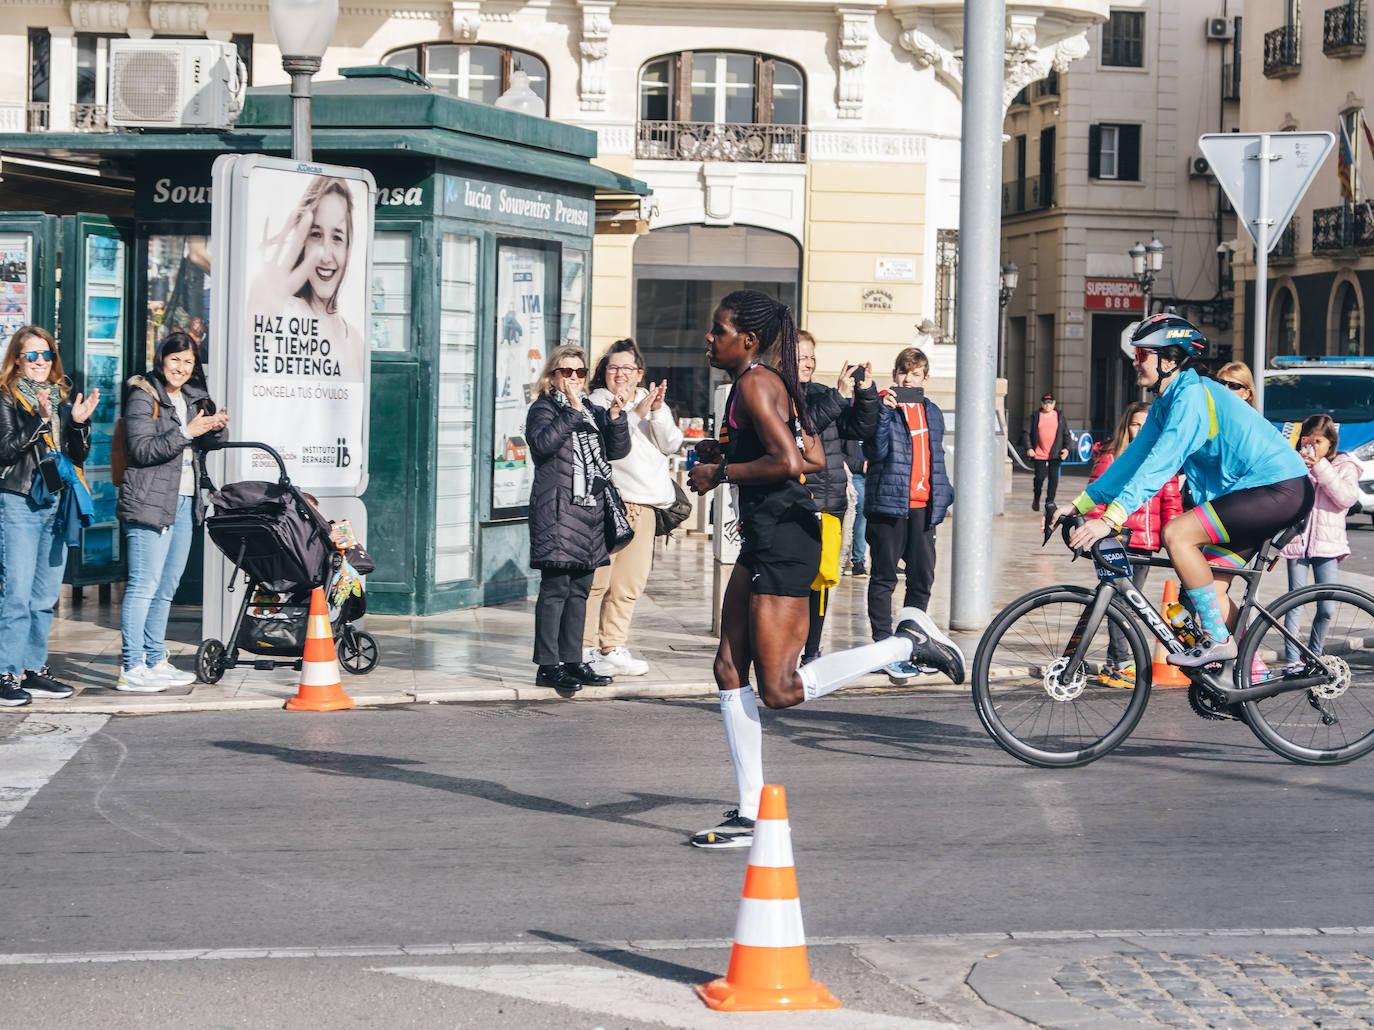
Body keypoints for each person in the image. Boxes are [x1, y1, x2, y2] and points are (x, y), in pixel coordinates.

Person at [686, 292, 962, 849]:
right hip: (768, 538)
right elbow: (811, 457)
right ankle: (748, 811)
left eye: (718, 331)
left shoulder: (755, 384)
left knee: (781, 689)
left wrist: (721, 473)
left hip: (785, 542)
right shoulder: (773, 384)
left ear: (748, 340)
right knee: (727, 668)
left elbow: (789, 462)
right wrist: (728, 451)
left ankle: (904, 647)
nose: (708, 340)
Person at [1055, 313, 1311, 667]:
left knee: (1176, 533)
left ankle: (1220, 643)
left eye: (1143, 354)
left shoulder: (1192, 397)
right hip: (1252, 494)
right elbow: (1131, 463)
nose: (1136, 361)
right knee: (1212, 589)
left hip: (1276, 488)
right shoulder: (1165, 403)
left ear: (1170, 360)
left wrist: (1110, 520)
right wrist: (1079, 503)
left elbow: (1161, 465)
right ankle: (1253, 669)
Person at [116, 331, 229, 692]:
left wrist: (215, 429)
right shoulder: (143, 395)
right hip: (149, 501)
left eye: (188, 362)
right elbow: (143, 450)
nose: (180, 368)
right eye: (175, 359)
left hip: (184, 501)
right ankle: (131, 666)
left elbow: (206, 443)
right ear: (161, 358)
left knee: (166, 588)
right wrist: (187, 431)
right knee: (143, 586)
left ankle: (154, 659)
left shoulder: (195, 398)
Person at [0, 325, 99, 705]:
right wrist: (40, 420)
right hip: (20, 501)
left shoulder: (59, 399)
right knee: (17, 595)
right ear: (18, 360)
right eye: (33, 356)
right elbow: (6, 451)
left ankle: (33, 668)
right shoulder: (7, 398)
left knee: (44, 597)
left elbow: (77, 456)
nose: (41, 362)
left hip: (56, 503)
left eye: (47, 355)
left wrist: (78, 423)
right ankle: (6, 672)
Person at [526, 344, 633, 693]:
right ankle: (547, 666)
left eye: (580, 372)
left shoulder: (590, 409)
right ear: (552, 376)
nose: (574, 378)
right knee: (555, 589)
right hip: (557, 512)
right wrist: (570, 411)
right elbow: (542, 446)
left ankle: (572, 661)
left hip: (590, 511)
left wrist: (616, 418)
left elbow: (615, 451)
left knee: (580, 592)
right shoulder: (542, 409)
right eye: (566, 372)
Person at [581, 338, 683, 678]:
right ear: (603, 372)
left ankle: (613, 644)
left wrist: (655, 410)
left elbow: (671, 443)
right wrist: (627, 412)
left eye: (628, 368)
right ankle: (585, 647)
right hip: (612, 503)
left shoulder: (650, 401)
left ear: (640, 373)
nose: (621, 374)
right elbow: (611, 447)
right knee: (598, 581)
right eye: (614, 368)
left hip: (647, 505)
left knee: (629, 584)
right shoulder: (594, 402)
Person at [862, 346, 955, 681]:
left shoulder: (932, 411)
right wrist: (883, 413)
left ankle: (910, 644)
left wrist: (944, 496)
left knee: (922, 579)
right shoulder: (880, 407)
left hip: (923, 508)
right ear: (895, 375)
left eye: (914, 374)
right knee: (884, 577)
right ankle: (883, 648)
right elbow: (875, 451)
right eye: (903, 372)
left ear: (924, 379)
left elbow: (937, 457)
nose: (907, 378)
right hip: (889, 505)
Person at [794, 330, 878, 664]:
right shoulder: (776, 393)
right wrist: (837, 398)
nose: (808, 363)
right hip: (796, 501)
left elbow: (859, 429)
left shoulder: (823, 393)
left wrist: (865, 393)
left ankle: (812, 652)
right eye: (801, 356)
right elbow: (802, 431)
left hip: (829, 503)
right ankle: (783, 649)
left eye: (812, 356)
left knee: (822, 581)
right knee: (792, 581)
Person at [1085, 401, 1182, 688]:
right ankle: (1120, 664)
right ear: (1126, 425)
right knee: (1119, 603)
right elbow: (1094, 499)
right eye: (1135, 423)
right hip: (1116, 541)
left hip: (1145, 543)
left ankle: (1117, 661)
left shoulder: (1160, 458)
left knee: (1129, 604)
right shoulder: (1112, 458)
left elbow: (1171, 502)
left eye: (1146, 424)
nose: (1140, 429)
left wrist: (1175, 536)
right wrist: (1100, 532)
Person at [251, 176, 364, 382]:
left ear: (349, 247)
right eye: (316, 235)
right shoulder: (281, 315)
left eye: (337, 238)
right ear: (303, 242)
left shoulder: (354, 340)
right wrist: (254, 327)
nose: (325, 255)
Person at [1278, 414, 1360, 674]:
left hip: (1328, 546)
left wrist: (1320, 466)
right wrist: (1299, 468)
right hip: (1297, 543)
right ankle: (1292, 661)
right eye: (1307, 440)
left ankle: (1314, 654)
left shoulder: (1344, 465)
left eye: (1319, 441)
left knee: (1327, 607)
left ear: (1331, 443)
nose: (1312, 446)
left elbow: (1345, 498)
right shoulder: (1296, 464)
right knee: (1294, 603)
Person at [1024, 392, 1070, 511]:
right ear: (1041, 403)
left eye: (1050, 403)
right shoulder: (1035, 416)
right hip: (1039, 453)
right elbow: (1026, 433)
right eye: (1045, 402)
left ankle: (1050, 501)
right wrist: (1029, 448)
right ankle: (1036, 497)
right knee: (1039, 477)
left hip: (1055, 453)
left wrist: (1066, 449)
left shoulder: (1059, 417)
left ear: (1054, 403)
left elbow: (1066, 434)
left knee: (1053, 478)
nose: (1048, 405)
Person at [842, 438, 868, 575]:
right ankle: (858, 561)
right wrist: (860, 465)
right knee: (862, 510)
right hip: (855, 474)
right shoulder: (848, 424)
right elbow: (839, 454)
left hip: (875, 473)